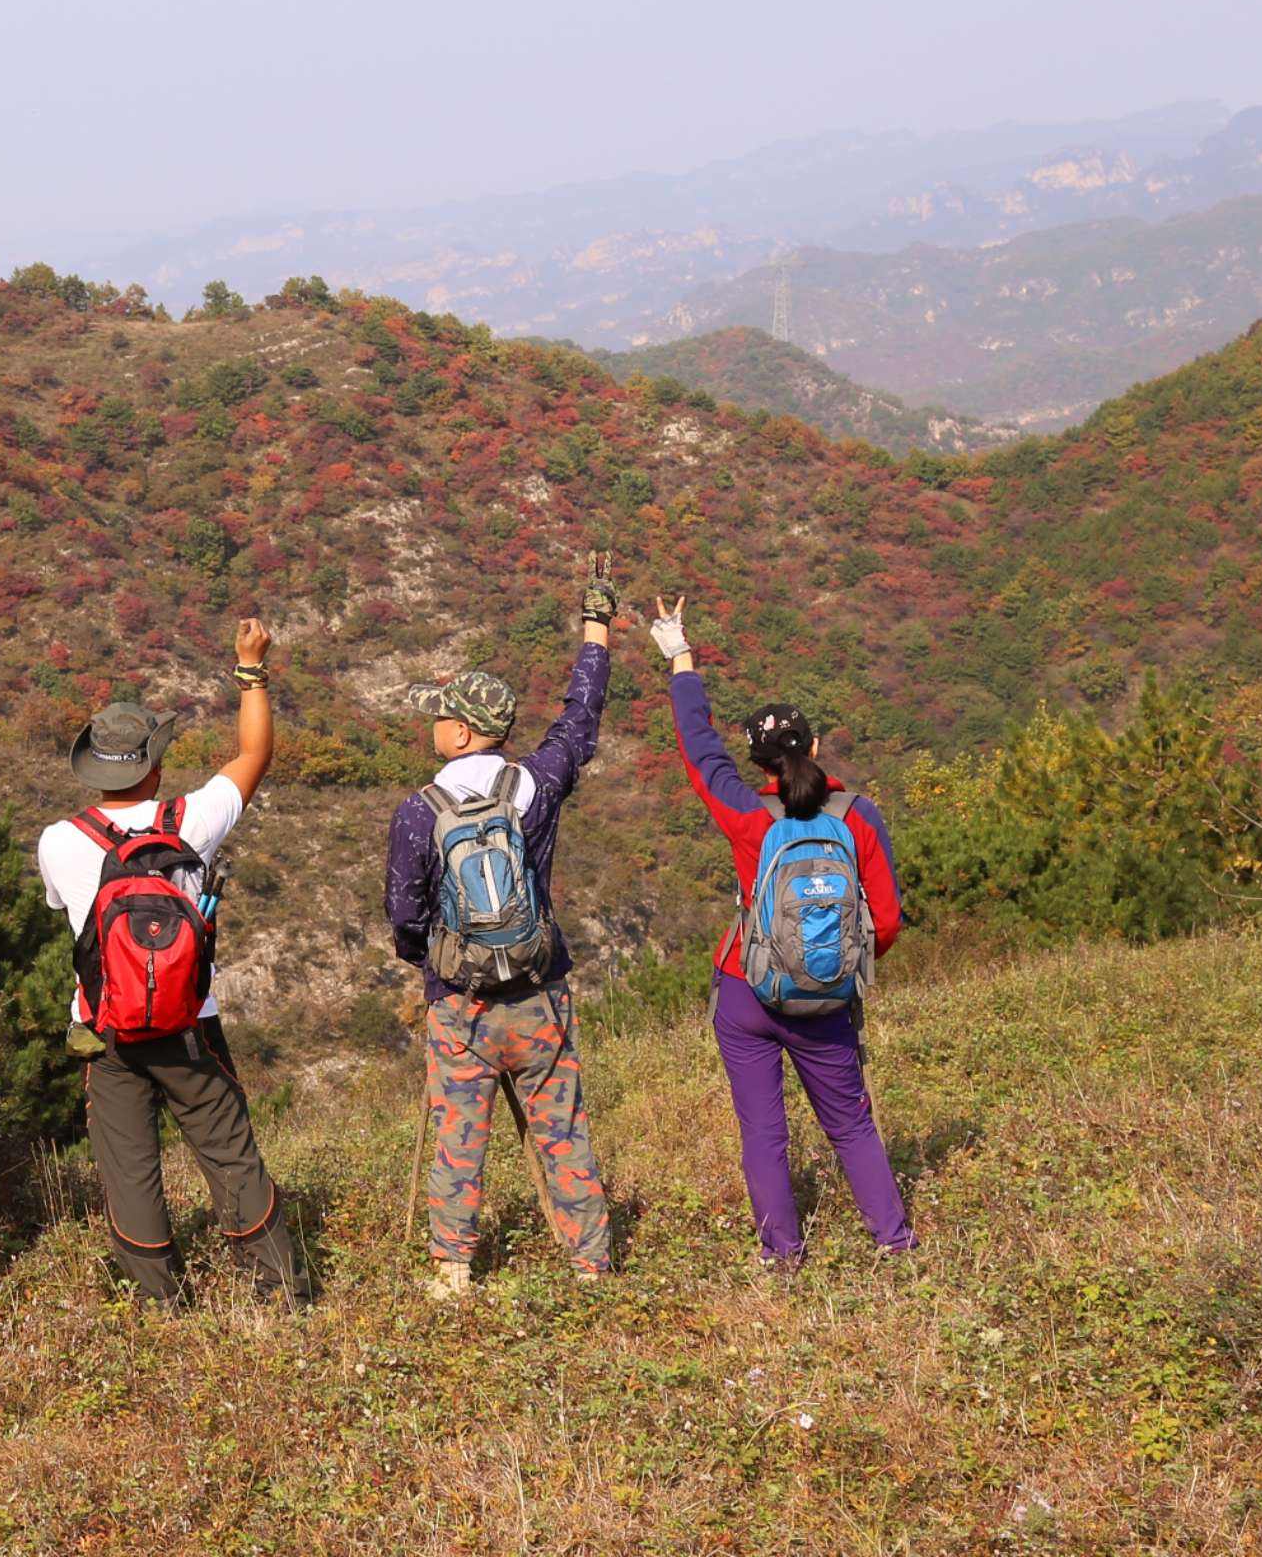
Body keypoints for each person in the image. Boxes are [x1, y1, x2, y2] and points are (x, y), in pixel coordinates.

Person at [33, 618, 306, 1306]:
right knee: (230, 1154)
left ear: (93, 768)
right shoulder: (193, 820)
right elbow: (255, 754)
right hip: (190, 1024)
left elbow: (64, 914)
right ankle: (278, 1290)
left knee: (129, 1169)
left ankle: (158, 1303)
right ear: (154, 765)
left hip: (107, 1033)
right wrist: (251, 668)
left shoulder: (58, 841)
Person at [651, 597, 916, 1264]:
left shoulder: (747, 814)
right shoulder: (858, 815)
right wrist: (840, 965)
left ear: (759, 762)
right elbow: (885, 920)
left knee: (763, 1131)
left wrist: (681, 657)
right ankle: (894, 1241)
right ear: (817, 749)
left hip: (748, 989)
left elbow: (699, 751)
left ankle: (783, 1255)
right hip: (828, 997)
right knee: (851, 1124)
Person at [383, 555, 619, 1295]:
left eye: (441, 715)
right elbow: (580, 718)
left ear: (461, 733)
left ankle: (454, 1273)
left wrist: (426, 964)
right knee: (563, 1129)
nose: (433, 723)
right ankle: (591, 1266)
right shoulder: (537, 783)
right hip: (541, 991)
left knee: (460, 1135)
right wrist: (597, 627)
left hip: (462, 1001)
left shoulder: (421, 810)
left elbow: (405, 911)